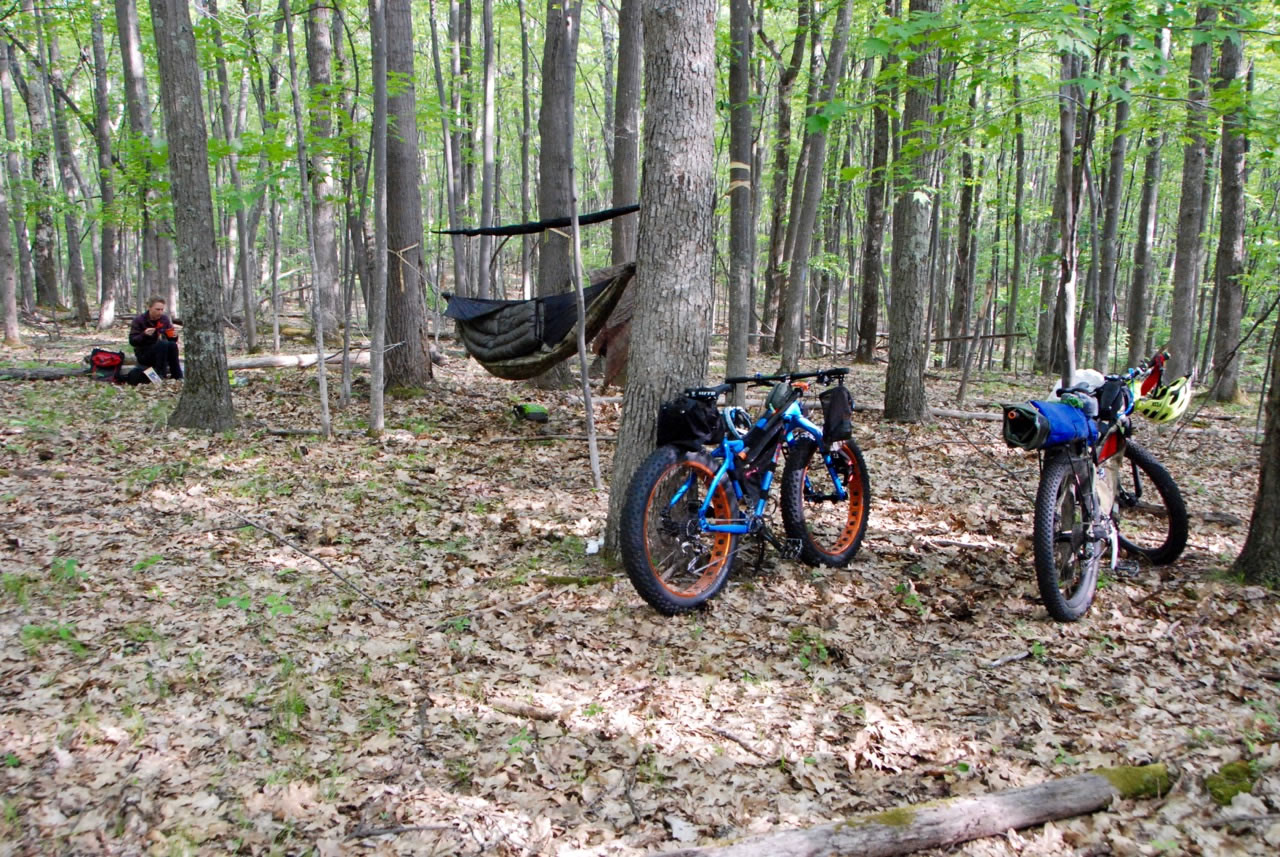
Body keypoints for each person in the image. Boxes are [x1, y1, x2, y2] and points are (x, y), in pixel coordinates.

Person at [128, 297, 183, 380]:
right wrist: (144, 334)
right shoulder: (139, 320)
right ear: (149, 308)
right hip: (144, 354)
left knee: (172, 345)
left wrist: (174, 336)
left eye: (162, 310)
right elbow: (132, 341)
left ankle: (177, 375)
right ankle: (161, 375)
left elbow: (171, 340)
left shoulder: (164, 319)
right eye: (157, 309)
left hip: (162, 353)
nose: (160, 312)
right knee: (162, 344)